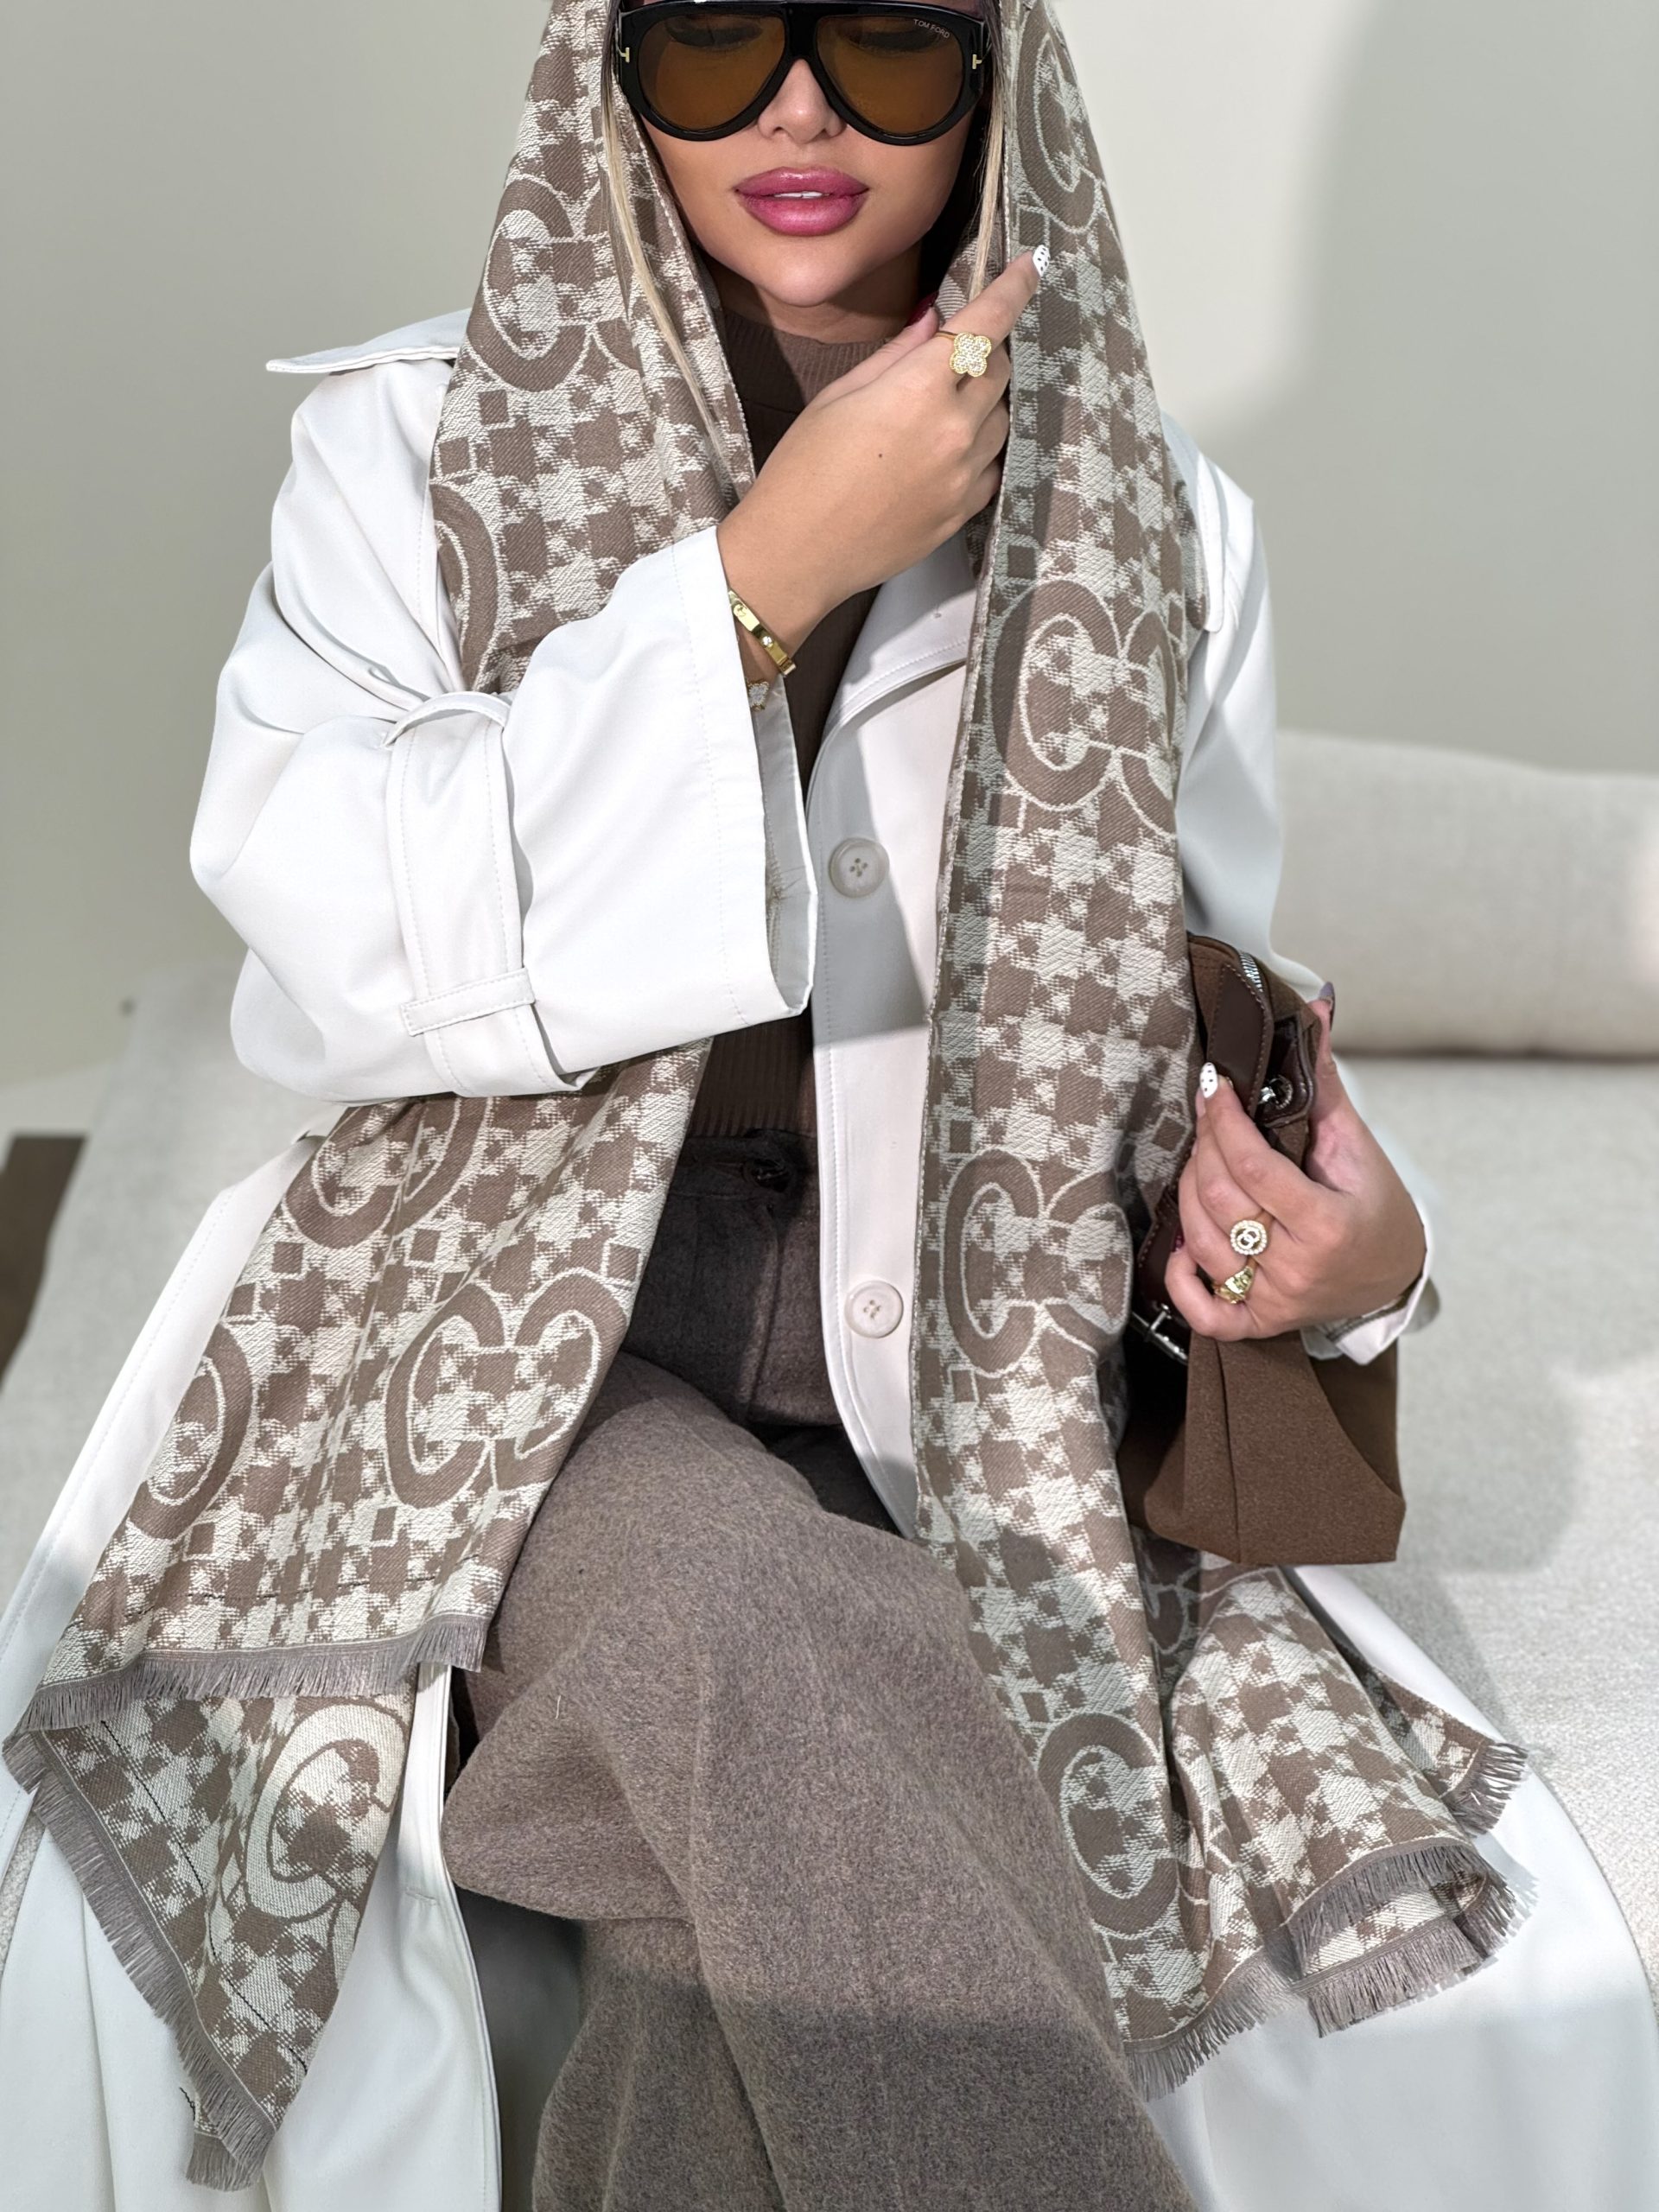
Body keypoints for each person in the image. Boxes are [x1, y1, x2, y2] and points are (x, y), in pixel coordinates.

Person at [3, 5, 1649, 2211]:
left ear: (996, 71)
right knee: (735, 1612)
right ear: (606, 65)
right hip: (527, 1401)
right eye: (712, 38)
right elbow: (334, 955)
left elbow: (1188, 1034)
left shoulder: (1161, 520)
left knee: (726, 1925)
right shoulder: (402, 449)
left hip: (981, 1419)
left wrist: (1356, 1262)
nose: (797, 107)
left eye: (882, 36)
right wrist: (758, 583)